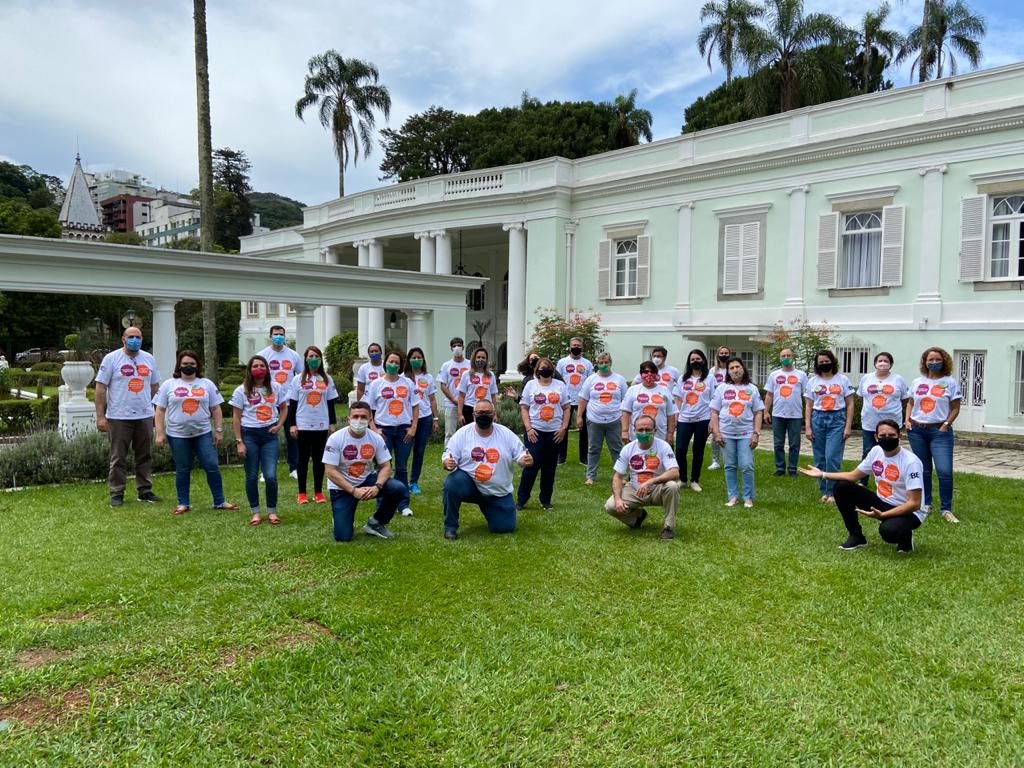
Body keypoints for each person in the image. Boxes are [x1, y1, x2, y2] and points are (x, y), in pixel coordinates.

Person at [798, 420, 925, 553]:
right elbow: (853, 476)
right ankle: (856, 536)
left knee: (888, 531)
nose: (887, 438)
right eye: (882, 436)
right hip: (883, 502)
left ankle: (905, 536)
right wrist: (822, 474)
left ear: (900, 436)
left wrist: (883, 515)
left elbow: (914, 504)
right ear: (876, 437)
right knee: (842, 487)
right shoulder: (876, 451)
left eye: (892, 435)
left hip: (910, 512)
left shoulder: (911, 462)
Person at [154, 350, 238, 515]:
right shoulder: (168, 385)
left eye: (192, 364)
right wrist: (160, 433)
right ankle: (183, 503)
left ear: (197, 365)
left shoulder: (207, 384)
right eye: (185, 364)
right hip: (177, 435)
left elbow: (216, 409)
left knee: (212, 465)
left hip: (203, 433)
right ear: (179, 365)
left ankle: (219, 501)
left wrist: (219, 430)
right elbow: (160, 410)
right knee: (183, 468)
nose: (189, 366)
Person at [441, 399, 533, 540]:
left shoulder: (506, 434)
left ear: (494, 414)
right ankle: (450, 527)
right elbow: (448, 455)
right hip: (470, 486)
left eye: (487, 412)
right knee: (452, 483)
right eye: (480, 413)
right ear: (474, 415)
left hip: (496, 492)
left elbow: (521, 455)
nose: (483, 415)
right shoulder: (463, 434)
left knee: (505, 527)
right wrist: (447, 462)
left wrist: (524, 460)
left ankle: (490, 508)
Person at [94, 326, 162, 508]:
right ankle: (117, 492)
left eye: (138, 337)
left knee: (145, 455)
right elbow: (100, 388)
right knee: (118, 457)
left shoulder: (149, 359)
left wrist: (156, 413)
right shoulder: (111, 359)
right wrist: (100, 417)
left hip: (144, 415)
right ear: (123, 339)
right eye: (131, 337)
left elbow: (155, 387)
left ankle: (145, 490)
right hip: (118, 417)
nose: (135, 340)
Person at [322, 401, 405, 541]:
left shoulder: (376, 438)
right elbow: (330, 471)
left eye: (363, 417)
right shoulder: (335, 438)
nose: (359, 420)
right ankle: (340, 518)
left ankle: (376, 523)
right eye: (355, 417)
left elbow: (386, 466)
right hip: (342, 487)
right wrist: (353, 491)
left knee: (398, 488)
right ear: (348, 419)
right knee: (343, 537)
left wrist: (377, 486)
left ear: (370, 419)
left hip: (366, 480)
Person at [230, 355, 289, 526]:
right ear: (249, 370)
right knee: (251, 476)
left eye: (262, 365)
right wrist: (239, 441)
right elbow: (236, 418)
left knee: (270, 476)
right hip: (249, 435)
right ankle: (255, 512)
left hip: (269, 436)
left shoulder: (275, 387)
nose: (259, 369)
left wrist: (279, 425)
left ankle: (272, 511)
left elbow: (284, 408)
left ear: (267, 369)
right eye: (255, 366)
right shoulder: (241, 390)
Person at [905, 346, 962, 523]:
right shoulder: (917, 382)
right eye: (931, 359)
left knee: (944, 471)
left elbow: (955, 407)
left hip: (939, 432)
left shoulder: (950, 382)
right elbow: (910, 402)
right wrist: (907, 420)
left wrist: (946, 424)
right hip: (917, 431)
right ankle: (926, 504)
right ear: (925, 362)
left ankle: (946, 509)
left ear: (944, 362)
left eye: (938, 359)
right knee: (923, 470)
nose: (934, 362)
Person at [604, 414, 682, 540]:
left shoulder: (663, 446)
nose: (644, 433)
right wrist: (618, 499)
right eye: (640, 430)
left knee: (672, 486)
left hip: (657, 490)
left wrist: (651, 481)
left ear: (655, 430)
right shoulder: (628, 449)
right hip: (635, 490)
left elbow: (675, 472)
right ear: (634, 430)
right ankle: (637, 517)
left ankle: (668, 527)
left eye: (648, 430)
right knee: (611, 505)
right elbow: (617, 477)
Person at [365, 350, 420, 516]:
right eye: (391, 361)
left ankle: (403, 504)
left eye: (397, 362)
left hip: (404, 430)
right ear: (385, 363)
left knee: (402, 468)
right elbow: (368, 408)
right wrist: (373, 428)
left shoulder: (408, 383)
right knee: (383, 467)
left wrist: (413, 427)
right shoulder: (376, 384)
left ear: (401, 365)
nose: (393, 365)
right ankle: (381, 503)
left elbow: (415, 406)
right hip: (384, 431)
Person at [285, 345, 339, 505]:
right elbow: (292, 404)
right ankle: (302, 493)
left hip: (321, 425)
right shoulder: (298, 379)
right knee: (302, 460)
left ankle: (318, 492)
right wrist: (292, 424)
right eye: (311, 356)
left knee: (319, 460)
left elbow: (330, 403)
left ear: (321, 359)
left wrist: (332, 423)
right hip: (303, 425)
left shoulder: (327, 379)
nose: (314, 359)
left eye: (317, 356)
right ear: (306, 359)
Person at [710, 356, 764, 507]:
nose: (735, 370)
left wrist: (756, 433)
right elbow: (714, 412)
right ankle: (733, 496)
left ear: (743, 369)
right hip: (726, 434)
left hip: (746, 434)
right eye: (731, 368)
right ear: (728, 372)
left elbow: (758, 412)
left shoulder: (752, 389)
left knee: (746, 465)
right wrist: (716, 433)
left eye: (737, 367)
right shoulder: (722, 388)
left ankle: (748, 497)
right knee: (730, 466)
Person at [516, 357, 569, 511]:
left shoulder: (560, 385)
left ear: (552, 369)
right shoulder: (531, 385)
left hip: (555, 433)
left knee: (549, 468)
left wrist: (563, 428)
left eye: (547, 367)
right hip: (535, 432)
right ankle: (521, 500)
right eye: (541, 367)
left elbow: (566, 408)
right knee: (531, 465)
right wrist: (529, 428)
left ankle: (545, 500)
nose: (544, 369)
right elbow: (524, 407)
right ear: (537, 370)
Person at [803, 349, 855, 504]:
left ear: (832, 361)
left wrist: (848, 426)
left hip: (837, 420)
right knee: (819, 458)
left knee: (832, 457)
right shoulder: (812, 381)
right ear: (817, 364)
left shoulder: (842, 380)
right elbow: (808, 406)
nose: (824, 364)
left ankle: (832, 492)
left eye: (827, 361)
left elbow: (850, 404)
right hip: (818, 419)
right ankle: (824, 491)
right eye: (821, 362)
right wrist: (808, 426)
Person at [857, 352, 910, 487]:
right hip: (870, 422)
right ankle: (863, 481)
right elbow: (861, 397)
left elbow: (905, 399)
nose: (882, 363)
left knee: (891, 451)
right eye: (880, 360)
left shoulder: (898, 379)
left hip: (891, 423)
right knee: (868, 451)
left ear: (891, 364)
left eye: (886, 361)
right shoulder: (866, 378)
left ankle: (891, 478)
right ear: (875, 363)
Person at [257, 325, 303, 479]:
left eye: (281, 334)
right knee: (267, 436)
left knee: (293, 436)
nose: (279, 337)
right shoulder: (262, 355)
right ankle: (265, 470)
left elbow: (301, 376)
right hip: (268, 402)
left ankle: (294, 468)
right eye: (276, 334)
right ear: (270, 336)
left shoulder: (293, 355)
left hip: (289, 402)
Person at [578, 352, 627, 486]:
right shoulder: (591, 380)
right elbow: (583, 399)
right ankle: (590, 476)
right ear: (597, 364)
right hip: (594, 420)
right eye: (601, 363)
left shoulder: (619, 379)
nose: (604, 365)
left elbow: (626, 400)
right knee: (593, 449)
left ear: (611, 363)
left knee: (617, 449)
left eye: (606, 362)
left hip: (615, 419)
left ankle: (621, 476)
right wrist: (579, 416)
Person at [762, 348, 809, 477]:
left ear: (793, 358)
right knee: (778, 444)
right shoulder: (774, 375)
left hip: (796, 415)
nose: (786, 358)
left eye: (788, 355)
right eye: (783, 356)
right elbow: (769, 395)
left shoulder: (801, 375)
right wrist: (766, 411)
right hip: (778, 414)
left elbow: (807, 396)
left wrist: (807, 414)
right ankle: (780, 468)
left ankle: (792, 469)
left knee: (794, 444)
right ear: (780, 358)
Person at [673, 349, 715, 492]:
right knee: (680, 450)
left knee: (698, 450)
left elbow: (714, 399)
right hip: (684, 419)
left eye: (698, 359)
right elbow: (678, 399)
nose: (695, 361)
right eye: (692, 360)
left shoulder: (710, 378)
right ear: (689, 362)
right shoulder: (682, 379)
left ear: (703, 360)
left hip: (703, 418)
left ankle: (695, 480)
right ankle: (683, 479)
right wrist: (676, 417)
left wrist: (712, 421)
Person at [406, 346, 438, 495]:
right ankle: (401, 480)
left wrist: (435, 418)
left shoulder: (428, 377)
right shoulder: (403, 377)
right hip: (407, 419)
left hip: (425, 418)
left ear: (423, 360)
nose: (416, 360)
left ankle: (413, 482)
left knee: (419, 451)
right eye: (413, 357)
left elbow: (432, 399)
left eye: (419, 357)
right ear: (408, 360)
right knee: (404, 451)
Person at [621, 361, 678, 444]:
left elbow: (671, 414)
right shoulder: (632, 390)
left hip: (660, 436)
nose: (649, 374)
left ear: (656, 374)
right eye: (646, 372)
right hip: (637, 436)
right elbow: (626, 412)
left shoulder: (665, 390)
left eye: (652, 372)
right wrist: (625, 431)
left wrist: (670, 434)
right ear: (641, 374)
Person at [556, 337, 593, 465]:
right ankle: (561, 456)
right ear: (569, 347)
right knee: (563, 428)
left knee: (584, 430)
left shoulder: (587, 364)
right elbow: (557, 381)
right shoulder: (562, 362)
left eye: (578, 345)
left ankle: (584, 457)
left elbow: (591, 382)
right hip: (565, 401)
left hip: (583, 400)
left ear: (582, 347)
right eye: (574, 345)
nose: (576, 347)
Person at [437, 337, 470, 444]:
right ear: (451, 348)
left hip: (467, 404)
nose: (457, 348)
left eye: (459, 345)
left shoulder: (470, 364)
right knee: (450, 434)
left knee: (468, 433)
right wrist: (454, 400)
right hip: (451, 405)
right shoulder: (446, 365)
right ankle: (448, 453)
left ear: (463, 347)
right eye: (454, 346)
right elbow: (443, 385)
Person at [456, 347, 498, 427]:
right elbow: (461, 396)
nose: (480, 359)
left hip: (486, 410)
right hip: (469, 409)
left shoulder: (491, 375)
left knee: (485, 431)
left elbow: (493, 396)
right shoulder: (466, 374)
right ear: (474, 359)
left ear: (486, 360)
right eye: (478, 357)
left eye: (483, 358)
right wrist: (460, 414)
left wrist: (495, 413)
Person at [707, 345, 732, 470]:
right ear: (717, 355)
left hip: (730, 404)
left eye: (726, 353)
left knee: (728, 433)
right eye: (721, 353)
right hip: (716, 405)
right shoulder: (712, 371)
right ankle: (715, 461)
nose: (724, 355)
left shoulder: (732, 369)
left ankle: (729, 459)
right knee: (715, 432)